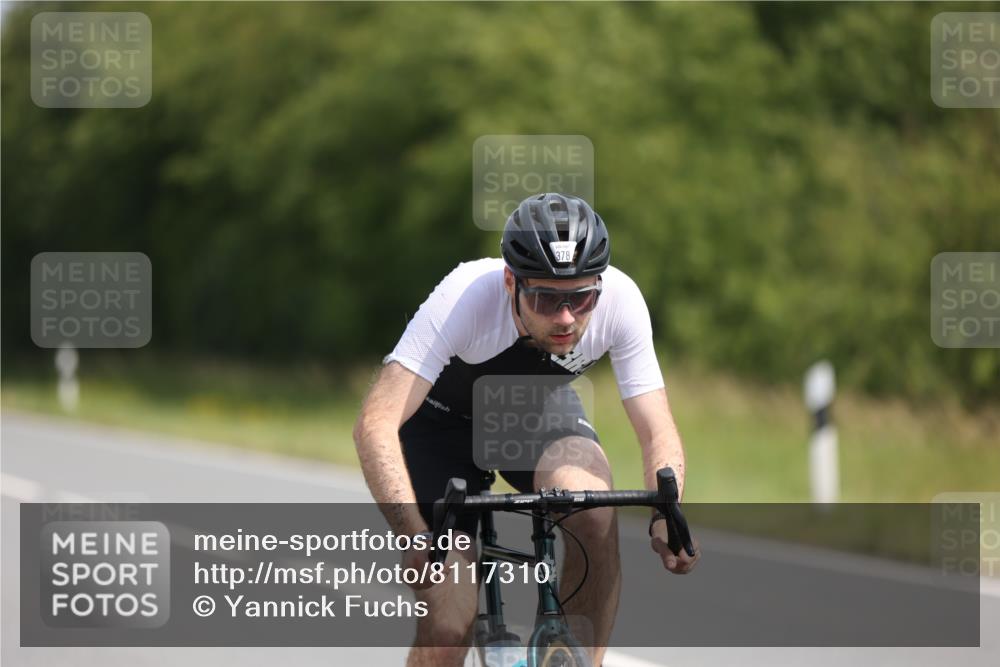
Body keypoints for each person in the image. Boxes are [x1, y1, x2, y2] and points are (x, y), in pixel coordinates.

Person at [353, 192, 699, 667]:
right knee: (450, 623)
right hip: (438, 424)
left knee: (594, 514)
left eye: (581, 299)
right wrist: (413, 533)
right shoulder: (464, 297)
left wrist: (668, 511)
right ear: (510, 281)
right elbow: (375, 423)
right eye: (545, 298)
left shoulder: (621, 301)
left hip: (529, 412)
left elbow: (657, 430)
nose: (565, 318)